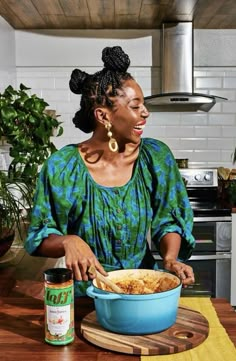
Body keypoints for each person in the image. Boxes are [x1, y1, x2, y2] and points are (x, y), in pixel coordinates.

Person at [25, 46, 195, 296]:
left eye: (143, 105)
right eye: (135, 106)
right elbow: (39, 236)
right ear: (103, 116)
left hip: (143, 288)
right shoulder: (63, 166)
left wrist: (169, 259)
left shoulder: (155, 158)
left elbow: (168, 219)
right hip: (87, 294)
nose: (145, 113)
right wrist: (68, 241)